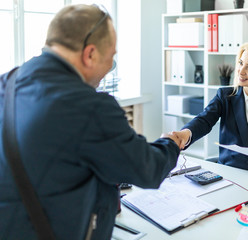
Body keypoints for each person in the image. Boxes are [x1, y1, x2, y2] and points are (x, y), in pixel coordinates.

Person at [0, 4, 180, 240]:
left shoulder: (7, 83)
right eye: (111, 57)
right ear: (91, 54)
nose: (110, 67)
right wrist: (171, 144)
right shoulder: (89, 106)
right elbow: (148, 170)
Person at [173, 40, 248, 177]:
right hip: (228, 174)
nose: (240, 71)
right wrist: (185, 134)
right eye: (241, 63)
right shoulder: (225, 96)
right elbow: (204, 120)